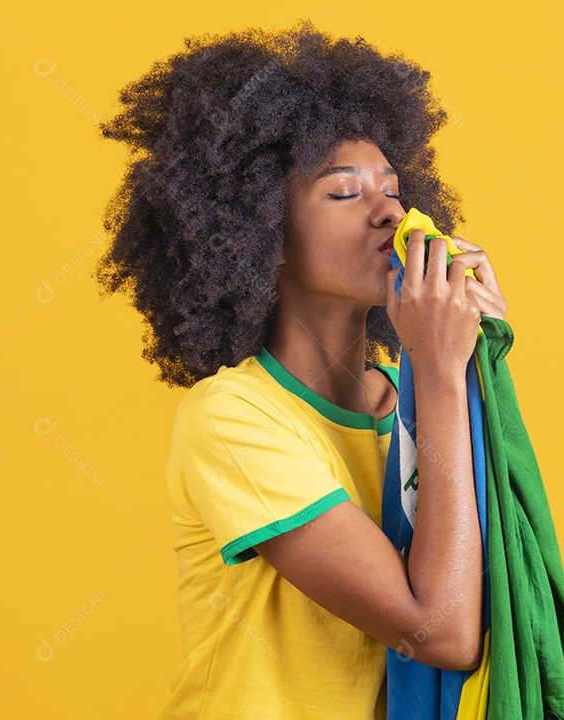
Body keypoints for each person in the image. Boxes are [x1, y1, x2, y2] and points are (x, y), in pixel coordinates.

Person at [94, 19, 509, 720]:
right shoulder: (233, 418)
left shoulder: (411, 405)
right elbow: (440, 630)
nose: (391, 214)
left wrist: (474, 372)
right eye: (345, 194)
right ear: (263, 235)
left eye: (393, 188)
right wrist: (441, 374)